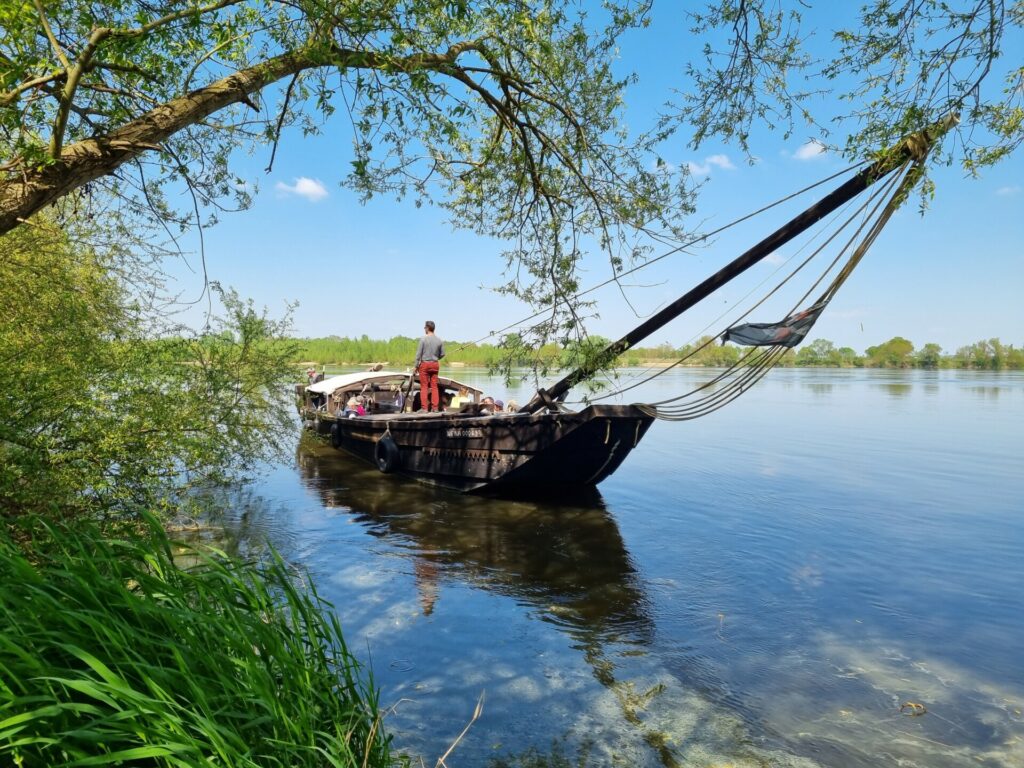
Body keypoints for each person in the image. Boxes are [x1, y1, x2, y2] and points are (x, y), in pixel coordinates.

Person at [414, 320, 445, 413]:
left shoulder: (423, 339)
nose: (424, 329)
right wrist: (436, 357)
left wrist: (416, 366)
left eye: (424, 327)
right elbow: (443, 354)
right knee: (434, 386)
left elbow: (418, 355)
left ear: (427, 328)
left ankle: (424, 409)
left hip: (425, 364)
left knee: (424, 386)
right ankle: (435, 408)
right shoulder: (439, 340)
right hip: (435, 364)